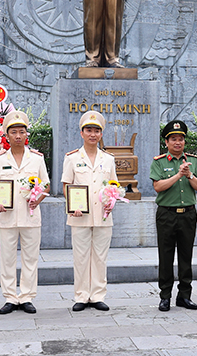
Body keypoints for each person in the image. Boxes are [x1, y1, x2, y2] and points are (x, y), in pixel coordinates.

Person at [0, 110, 50, 315]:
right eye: (14, 132)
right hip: (6, 216)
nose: (18, 135)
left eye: (21, 132)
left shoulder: (36, 159)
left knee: (30, 258)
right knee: (7, 258)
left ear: (27, 135)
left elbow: (46, 185)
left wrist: (38, 199)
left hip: (31, 215)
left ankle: (26, 297)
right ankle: (9, 297)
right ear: (7, 136)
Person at [61, 110, 118, 311]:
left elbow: (114, 185)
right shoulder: (72, 158)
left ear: (101, 134)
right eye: (88, 130)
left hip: (103, 216)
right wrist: (73, 205)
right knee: (81, 256)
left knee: (100, 257)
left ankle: (98, 295)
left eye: (96, 131)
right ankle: (81, 296)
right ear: (81, 133)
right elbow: (66, 185)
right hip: (79, 215)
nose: (92, 134)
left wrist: (112, 201)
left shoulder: (108, 159)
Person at [150, 120, 197, 311]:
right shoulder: (159, 162)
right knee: (165, 256)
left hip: (188, 215)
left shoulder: (193, 161)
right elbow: (158, 187)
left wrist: (189, 175)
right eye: (173, 139)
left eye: (181, 139)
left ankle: (184, 296)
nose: (178, 142)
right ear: (166, 142)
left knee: (186, 256)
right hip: (166, 214)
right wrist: (178, 175)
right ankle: (165, 296)